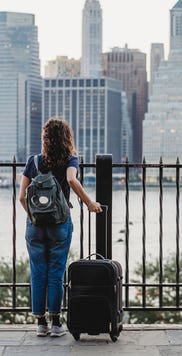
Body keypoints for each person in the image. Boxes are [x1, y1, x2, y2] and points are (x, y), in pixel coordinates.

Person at [19, 117, 102, 337]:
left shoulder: (33, 161)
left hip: (35, 226)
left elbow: (21, 198)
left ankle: (40, 323)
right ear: (66, 138)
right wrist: (90, 203)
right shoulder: (70, 159)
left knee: (38, 272)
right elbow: (72, 180)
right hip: (60, 224)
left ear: (45, 139)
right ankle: (56, 324)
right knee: (55, 272)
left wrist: (35, 217)